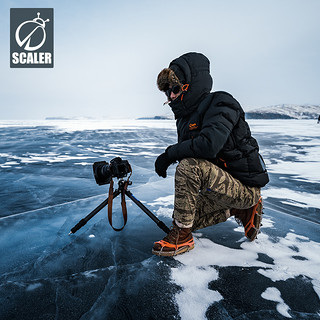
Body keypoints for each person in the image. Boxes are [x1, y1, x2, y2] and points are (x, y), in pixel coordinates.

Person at [153, 52, 269, 257]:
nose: (171, 96)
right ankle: (238, 210)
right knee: (184, 215)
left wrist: (169, 154)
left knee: (189, 166)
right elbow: (195, 153)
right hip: (222, 187)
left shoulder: (221, 102)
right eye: (168, 92)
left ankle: (183, 237)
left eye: (176, 89)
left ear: (191, 85)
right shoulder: (185, 119)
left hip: (245, 186)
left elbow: (208, 146)